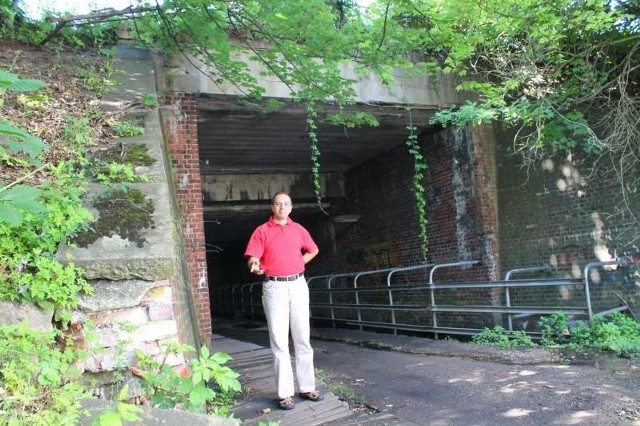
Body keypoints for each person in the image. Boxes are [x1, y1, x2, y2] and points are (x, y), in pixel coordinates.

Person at [244, 192, 323, 410]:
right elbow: (253, 257)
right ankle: (285, 394)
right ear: (272, 207)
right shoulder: (262, 231)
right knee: (279, 341)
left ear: (291, 207)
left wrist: (300, 261)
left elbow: (313, 249)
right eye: (278, 204)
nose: (282, 207)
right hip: (274, 287)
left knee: (302, 338)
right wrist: (254, 264)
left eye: (286, 204)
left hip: (298, 284)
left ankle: (307, 388)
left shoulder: (299, 229)